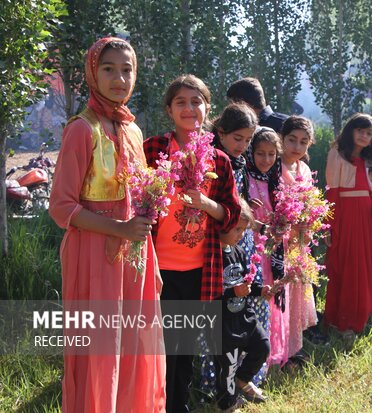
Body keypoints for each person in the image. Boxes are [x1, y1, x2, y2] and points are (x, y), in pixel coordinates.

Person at [49, 37, 165, 412]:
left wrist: (150, 243)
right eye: (109, 68)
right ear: (92, 74)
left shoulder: (132, 130)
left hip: (134, 255)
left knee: (136, 341)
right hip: (94, 255)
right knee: (101, 347)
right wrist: (121, 230)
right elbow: (61, 207)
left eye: (127, 69)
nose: (120, 78)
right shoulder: (82, 130)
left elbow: (142, 196)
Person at [143, 74, 241, 413]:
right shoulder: (154, 149)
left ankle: (177, 406)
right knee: (156, 349)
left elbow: (230, 214)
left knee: (183, 351)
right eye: (181, 102)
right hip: (156, 269)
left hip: (200, 270)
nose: (189, 108)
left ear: (207, 108)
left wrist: (206, 204)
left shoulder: (220, 160)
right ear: (169, 110)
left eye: (196, 101)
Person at [210, 103, 271, 386]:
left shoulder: (240, 162)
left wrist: (248, 209)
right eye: (238, 138)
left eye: (248, 140)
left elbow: (238, 195)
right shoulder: (212, 159)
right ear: (221, 133)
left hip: (240, 235)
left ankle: (243, 372)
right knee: (220, 304)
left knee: (241, 296)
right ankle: (215, 379)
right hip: (218, 236)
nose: (243, 145)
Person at [324, 113, 372, 333]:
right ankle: (344, 318)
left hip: (366, 216)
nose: (364, 136)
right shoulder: (336, 155)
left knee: (365, 263)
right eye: (360, 130)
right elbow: (332, 193)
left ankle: (364, 312)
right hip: (345, 215)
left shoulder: (369, 161)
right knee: (347, 262)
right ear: (351, 130)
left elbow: (369, 192)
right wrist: (328, 224)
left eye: (369, 133)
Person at [215, 199, 271, 411]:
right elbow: (209, 292)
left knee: (262, 345)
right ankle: (226, 404)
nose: (241, 235)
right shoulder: (211, 255)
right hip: (222, 322)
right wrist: (232, 292)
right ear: (221, 224)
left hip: (243, 315)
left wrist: (260, 290)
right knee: (227, 366)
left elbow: (246, 280)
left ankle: (243, 378)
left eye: (244, 230)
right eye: (237, 229)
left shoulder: (237, 250)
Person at [246, 127, 291, 367]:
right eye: (261, 153)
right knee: (256, 298)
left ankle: (271, 355)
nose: (266, 160)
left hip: (273, 249)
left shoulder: (276, 180)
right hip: (252, 250)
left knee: (273, 299)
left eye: (272, 154)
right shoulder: (245, 178)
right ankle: (252, 359)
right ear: (251, 152)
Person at [279, 116, 320, 355]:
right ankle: (278, 346)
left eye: (303, 142)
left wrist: (310, 221)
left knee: (297, 288)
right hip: (280, 238)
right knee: (282, 289)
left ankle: (294, 346)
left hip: (300, 240)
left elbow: (312, 203)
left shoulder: (304, 168)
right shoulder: (274, 165)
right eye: (292, 140)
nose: (297, 146)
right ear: (282, 139)